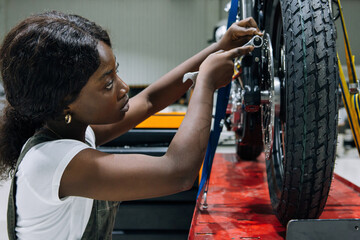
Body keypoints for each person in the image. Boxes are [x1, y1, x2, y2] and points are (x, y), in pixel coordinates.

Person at [0, 11, 260, 239]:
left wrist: (220, 47)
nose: (124, 88)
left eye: (116, 71)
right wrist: (206, 83)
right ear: (65, 101)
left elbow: (148, 100)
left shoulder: (72, 132)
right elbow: (177, 173)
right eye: (108, 83)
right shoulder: (52, 163)